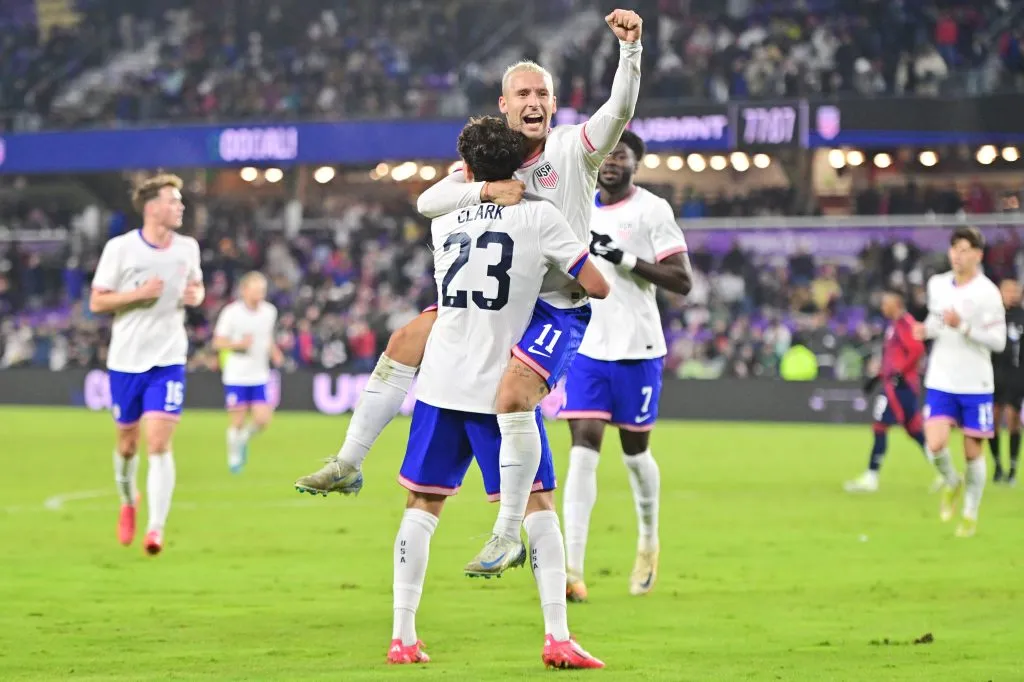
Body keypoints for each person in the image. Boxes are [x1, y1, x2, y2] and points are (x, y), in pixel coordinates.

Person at [295, 9, 644, 577]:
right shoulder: (489, 163)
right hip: (502, 296)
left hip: (556, 303)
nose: (534, 102)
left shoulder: (573, 149)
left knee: (511, 396)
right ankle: (349, 461)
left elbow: (620, 110)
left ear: (553, 105)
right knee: (407, 336)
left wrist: (630, 51)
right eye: (522, 93)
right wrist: (482, 188)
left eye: (542, 94)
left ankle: (508, 531)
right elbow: (428, 201)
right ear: (504, 105)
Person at [385, 116, 608, 668]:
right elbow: (596, 286)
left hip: (441, 382)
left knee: (422, 504)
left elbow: (430, 200)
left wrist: (472, 188)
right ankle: (557, 635)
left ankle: (402, 637)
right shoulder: (538, 214)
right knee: (538, 506)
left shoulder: (447, 212)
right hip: (498, 382)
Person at [555, 130, 691, 602]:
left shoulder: (652, 211)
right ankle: (571, 569)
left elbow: (683, 280)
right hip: (589, 347)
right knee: (582, 448)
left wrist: (627, 259)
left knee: (635, 455)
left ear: (636, 163)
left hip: (638, 347)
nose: (611, 160)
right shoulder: (577, 204)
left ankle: (649, 540)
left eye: (622, 154)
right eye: (607, 153)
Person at [89, 174, 204, 555]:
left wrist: (195, 295)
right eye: (173, 200)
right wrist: (138, 295)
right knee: (127, 446)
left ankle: (155, 529)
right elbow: (97, 303)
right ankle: (127, 500)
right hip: (126, 360)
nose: (180, 206)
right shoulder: (120, 249)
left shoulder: (188, 247)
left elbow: (197, 287)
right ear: (153, 208)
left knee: (158, 444)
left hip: (168, 358)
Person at [912, 226, 1005, 537]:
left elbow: (998, 341)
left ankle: (970, 512)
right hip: (941, 376)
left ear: (978, 255)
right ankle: (952, 481)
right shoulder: (938, 284)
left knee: (972, 452)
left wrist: (963, 326)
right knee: (935, 443)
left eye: (965, 249)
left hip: (975, 382)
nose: (958, 255)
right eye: (955, 249)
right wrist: (925, 330)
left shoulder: (988, 293)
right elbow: (936, 321)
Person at [844, 289, 927, 494]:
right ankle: (948, 474)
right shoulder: (895, 326)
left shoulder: (906, 324)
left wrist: (900, 373)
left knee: (880, 426)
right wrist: (878, 377)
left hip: (900, 386)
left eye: (886, 303)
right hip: (894, 384)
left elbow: (917, 350)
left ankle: (871, 477)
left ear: (897, 304)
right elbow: (893, 359)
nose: (882, 307)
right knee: (914, 430)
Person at [212, 271, 283, 474]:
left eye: (262, 290)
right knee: (238, 420)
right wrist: (238, 344)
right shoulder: (231, 313)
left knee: (262, 420)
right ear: (244, 290)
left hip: (259, 374)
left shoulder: (269, 311)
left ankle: (242, 439)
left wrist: (274, 351)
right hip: (236, 375)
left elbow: (266, 336)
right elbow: (218, 342)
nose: (260, 294)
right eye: (256, 290)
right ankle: (234, 458)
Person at [989, 278, 1024, 484]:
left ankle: (1012, 468)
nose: (1011, 295)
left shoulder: (1022, 317)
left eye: (1015, 291)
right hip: (993, 377)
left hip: (1016, 376)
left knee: (1012, 420)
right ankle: (997, 465)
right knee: (992, 422)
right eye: (1007, 291)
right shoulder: (993, 317)